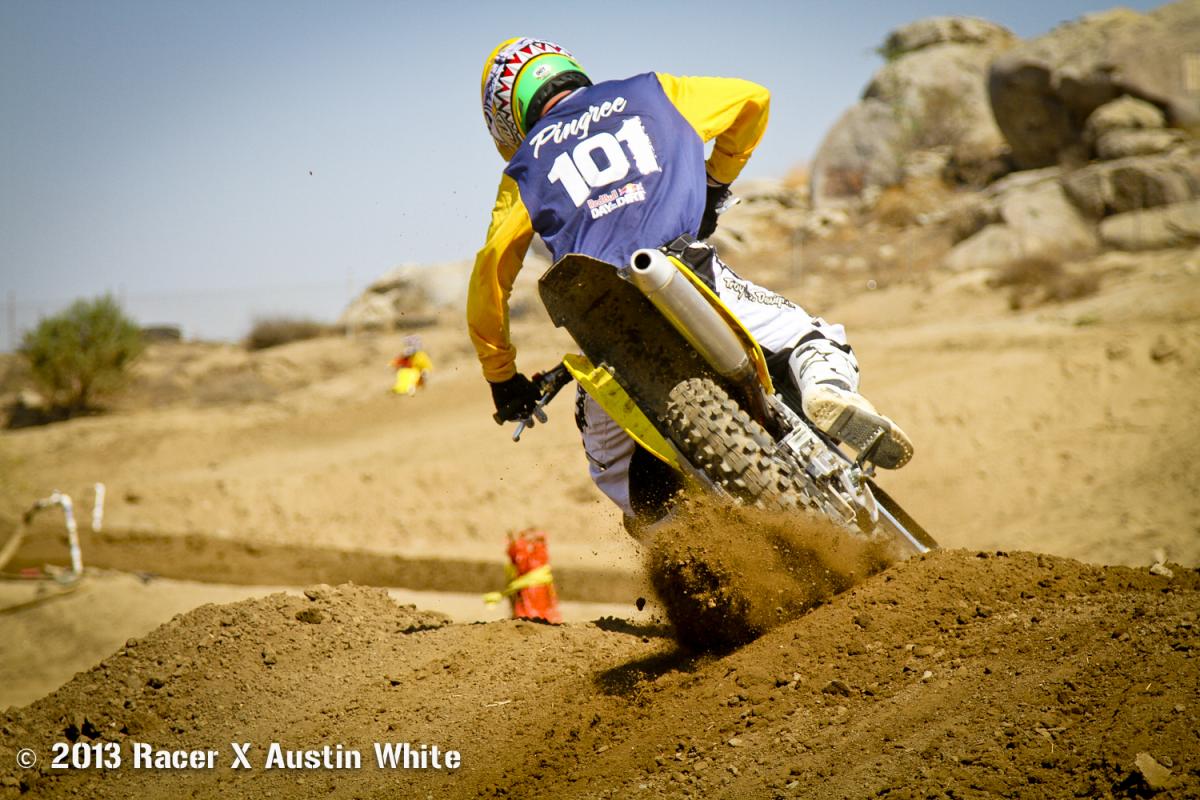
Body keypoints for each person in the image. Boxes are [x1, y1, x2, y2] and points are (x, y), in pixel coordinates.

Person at [467, 37, 913, 526]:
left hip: (602, 321)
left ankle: (682, 542)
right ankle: (829, 390)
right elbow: (752, 99)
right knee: (810, 338)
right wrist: (716, 181)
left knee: (611, 466)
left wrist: (502, 378)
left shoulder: (524, 169)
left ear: (506, 115)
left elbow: (490, 274)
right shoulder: (652, 92)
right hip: (685, 270)